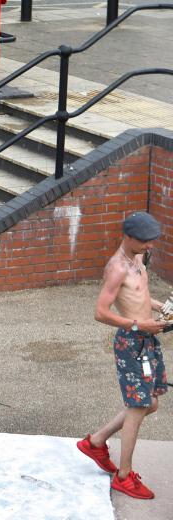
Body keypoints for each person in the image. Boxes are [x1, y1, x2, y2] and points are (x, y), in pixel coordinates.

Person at [77, 211, 168, 500]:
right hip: (132, 343)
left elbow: (139, 297)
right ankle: (124, 477)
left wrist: (159, 307)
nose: (150, 247)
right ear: (128, 237)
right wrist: (138, 324)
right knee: (139, 408)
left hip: (147, 339)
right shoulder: (117, 268)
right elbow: (100, 312)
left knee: (149, 402)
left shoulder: (137, 259)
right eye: (145, 242)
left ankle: (96, 441)